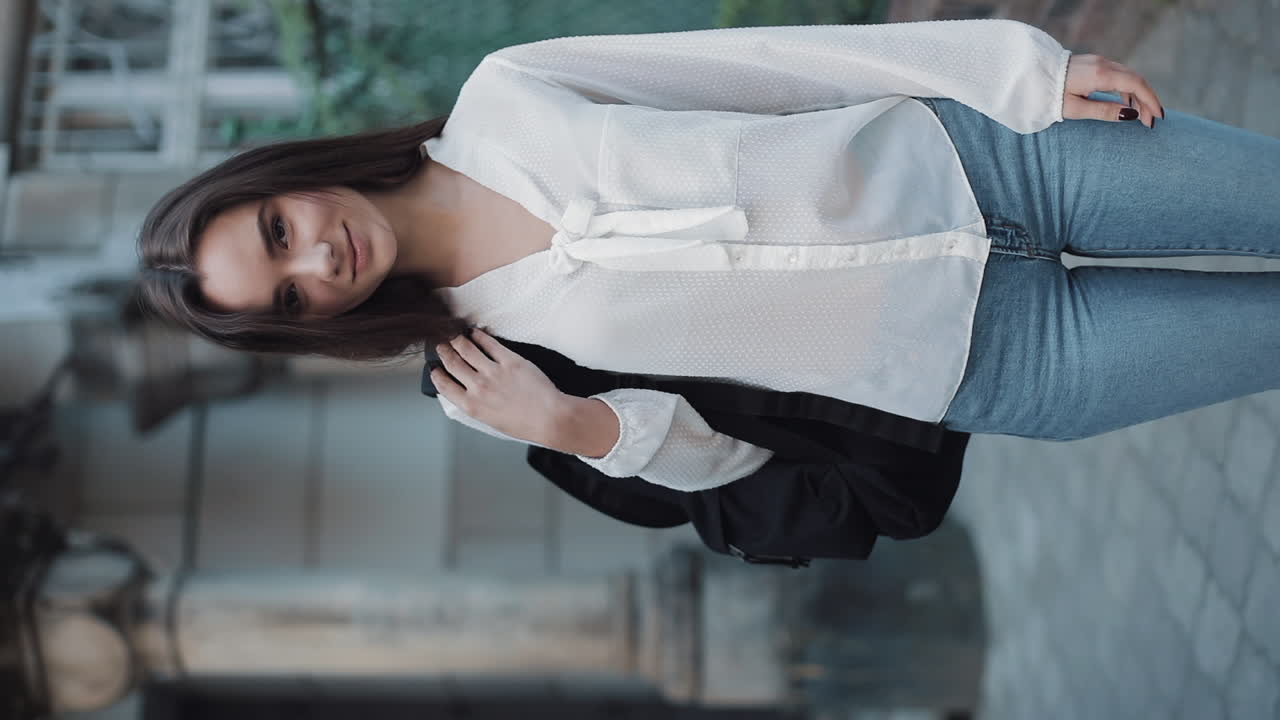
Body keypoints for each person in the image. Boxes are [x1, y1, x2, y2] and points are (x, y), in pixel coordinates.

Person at [137, 19, 1279, 496]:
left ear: (283, 176)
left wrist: (1020, 73)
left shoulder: (508, 93)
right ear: (313, 326)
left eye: (277, 231)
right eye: (291, 296)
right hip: (998, 363)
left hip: (992, 164)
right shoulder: (487, 372)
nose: (318, 259)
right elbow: (732, 466)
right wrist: (575, 430)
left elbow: (773, 64)